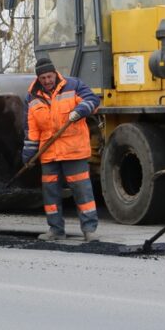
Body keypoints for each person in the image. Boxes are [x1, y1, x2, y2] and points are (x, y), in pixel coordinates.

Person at [22, 57, 101, 242]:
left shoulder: (73, 85)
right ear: (38, 78)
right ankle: (56, 230)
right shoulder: (32, 96)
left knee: (83, 192)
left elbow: (93, 100)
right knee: (50, 194)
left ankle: (89, 230)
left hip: (74, 151)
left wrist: (81, 110)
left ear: (54, 73)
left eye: (49, 77)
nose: (47, 81)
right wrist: (28, 154)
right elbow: (31, 128)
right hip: (49, 154)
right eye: (43, 78)